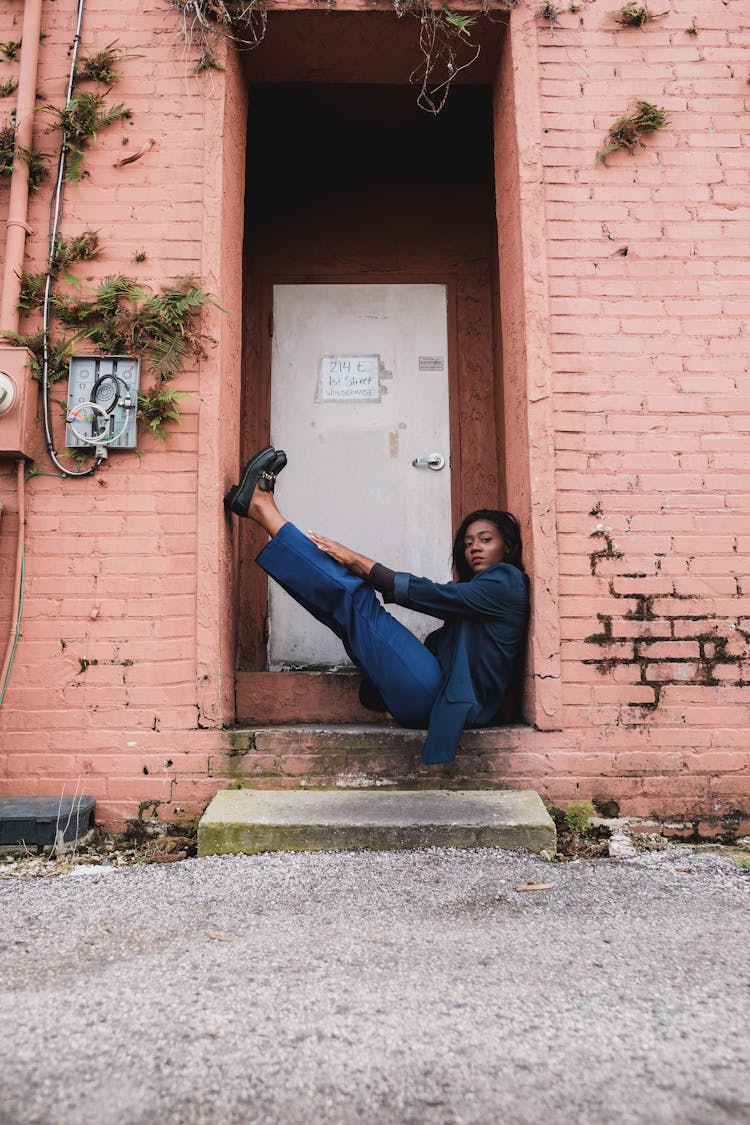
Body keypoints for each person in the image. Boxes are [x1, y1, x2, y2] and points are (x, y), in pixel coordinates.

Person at [225, 445, 530, 765]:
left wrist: (359, 561)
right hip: (430, 693)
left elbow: (436, 597)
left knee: (356, 602)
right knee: (345, 614)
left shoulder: (507, 581)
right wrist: (384, 691)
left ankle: (262, 508)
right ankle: (259, 508)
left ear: (507, 546)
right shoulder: (481, 595)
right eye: (467, 543)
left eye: (485, 539)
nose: (474, 548)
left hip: (435, 700)